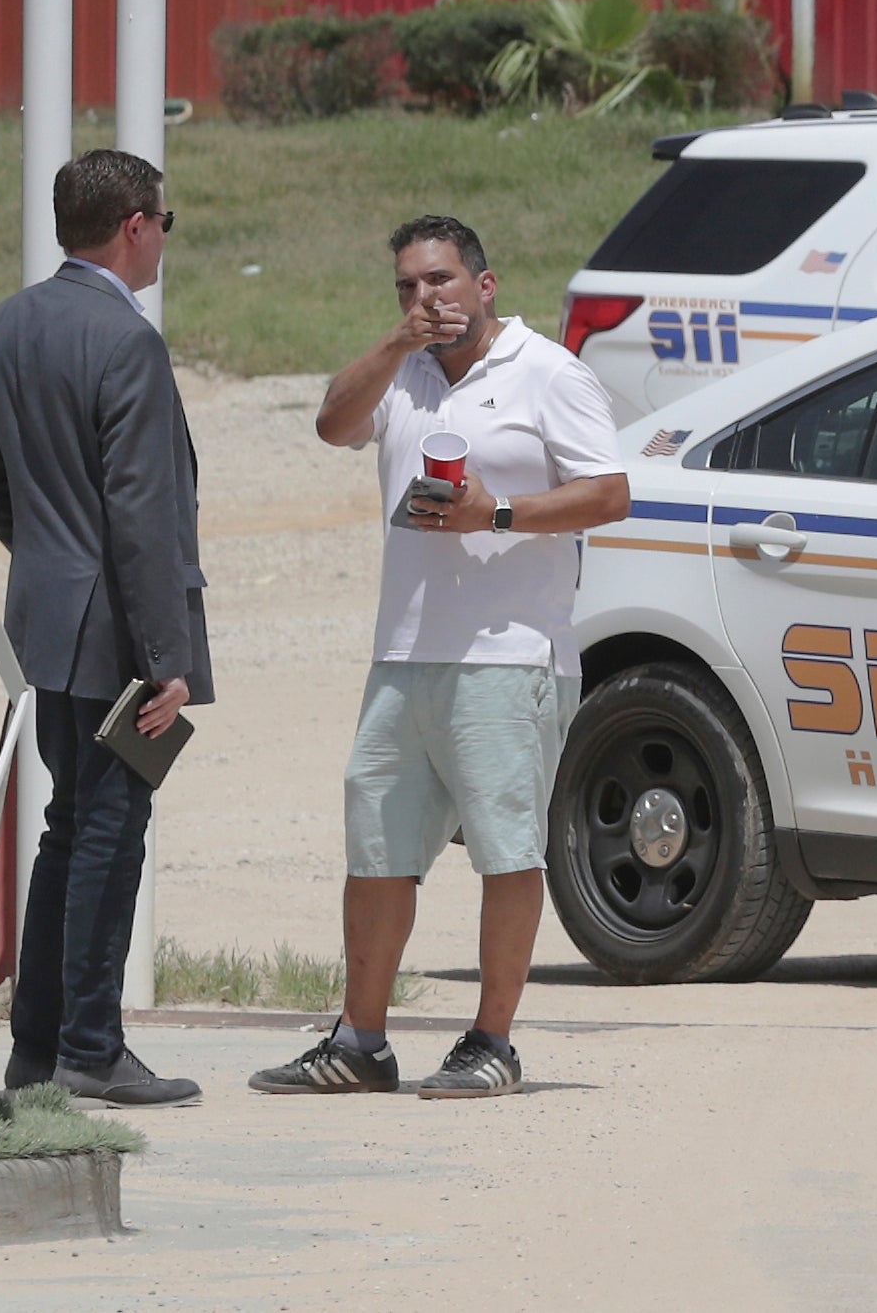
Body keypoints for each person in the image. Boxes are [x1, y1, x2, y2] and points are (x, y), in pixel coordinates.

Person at [257, 213, 631, 1100]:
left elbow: (610, 493)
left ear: (485, 284)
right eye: (409, 288)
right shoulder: (403, 375)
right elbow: (331, 425)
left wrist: (493, 514)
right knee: (376, 849)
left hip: (510, 656)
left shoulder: (546, 372)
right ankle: (360, 1040)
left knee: (506, 853)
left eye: (441, 282)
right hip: (404, 653)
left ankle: (492, 1043)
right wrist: (395, 343)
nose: (427, 300)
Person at [0, 147, 211, 1106]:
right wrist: (166, 661)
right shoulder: (127, 340)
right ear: (135, 225)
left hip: (47, 624)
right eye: (163, 224)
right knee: (110, 828)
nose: (162, 243)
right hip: (118, 641)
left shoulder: (13, 322)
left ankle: (39, 1046)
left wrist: (49, 562)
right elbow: (142, 514)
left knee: (71, 827)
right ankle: (91, 1046)